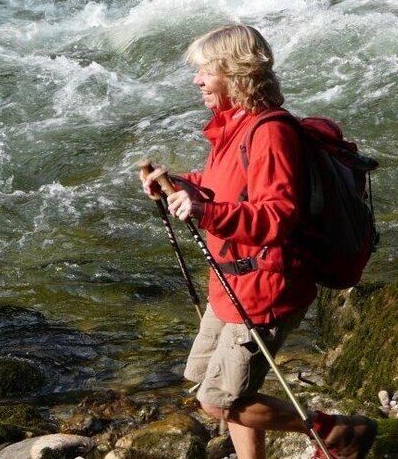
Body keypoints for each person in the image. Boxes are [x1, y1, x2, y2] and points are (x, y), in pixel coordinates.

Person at [140, 24, 376, 459]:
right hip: (232, 283)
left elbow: (279, 216)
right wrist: (176, 185)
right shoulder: (231, 126)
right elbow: (223, 186)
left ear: (235, 72)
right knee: (205, 382)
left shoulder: (270, 132)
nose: (197, 81)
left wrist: (205, 212)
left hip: (267, 287)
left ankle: (338, 432)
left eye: (206, 71)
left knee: (218, 400)